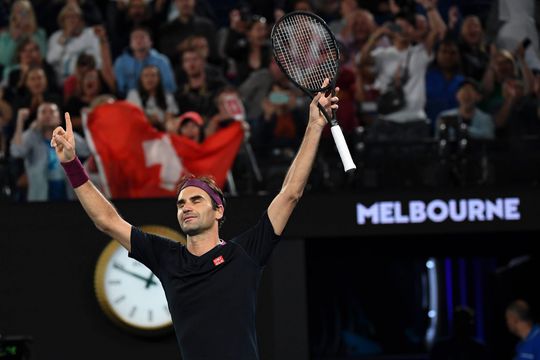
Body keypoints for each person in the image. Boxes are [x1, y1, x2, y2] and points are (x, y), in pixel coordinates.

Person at [50, 79, 338, 359]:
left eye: (196, 199)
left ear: (219, 211)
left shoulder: (243, 253)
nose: (185, 207)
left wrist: (314, 125)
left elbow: (290, 194)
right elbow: (106, 220)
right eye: (180, 203)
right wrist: (71, 164)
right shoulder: (166, 257)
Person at [10, 103, 89, 201]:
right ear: (37, 118)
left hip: (68, 196)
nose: (47, 115)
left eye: (52, 112)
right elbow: (16, 151)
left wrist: (86, 122)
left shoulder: (67, 136)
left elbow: (86, 150)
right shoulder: (32, 137)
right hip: (39, 198)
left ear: (59, 118)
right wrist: (20, 121)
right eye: (43, 112)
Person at [114, 27, 177, 98]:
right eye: (135, 38)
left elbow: (170, 87)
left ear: (150, 42)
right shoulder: (121, 62)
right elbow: (121, 89)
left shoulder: (162, 61)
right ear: (130, 43)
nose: (138, 40)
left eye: (142, 37)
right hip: (131, 100)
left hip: (159, 99)